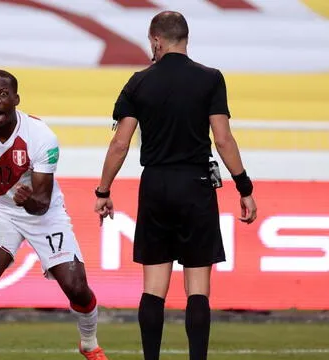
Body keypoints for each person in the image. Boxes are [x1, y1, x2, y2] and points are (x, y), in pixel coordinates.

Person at [94, 11, 257, 360]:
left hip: (155, 184)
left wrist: (103, 191)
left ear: (156, 40)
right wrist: (244, 187)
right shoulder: (211, 79)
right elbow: (223, 139)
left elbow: (120, 143)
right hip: (196, 184)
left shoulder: (138, 81)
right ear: (185, 38)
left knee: (154, 288)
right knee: (198, 289)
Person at [0, 69, 109, 360]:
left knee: (76, 287)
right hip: (2, 210)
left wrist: (27, 202)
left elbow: (42, 202)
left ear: (16, 99)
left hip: (44, 214)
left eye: (2, 94)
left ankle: (88, 342)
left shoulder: (41, 136)